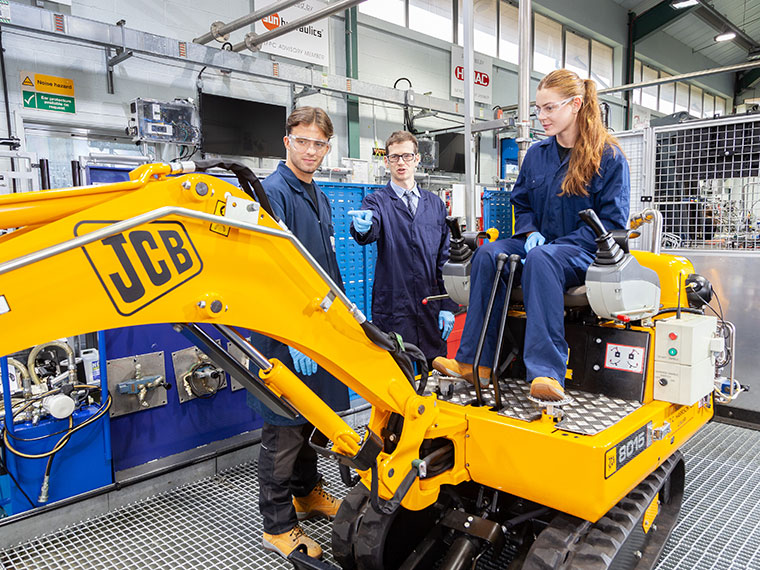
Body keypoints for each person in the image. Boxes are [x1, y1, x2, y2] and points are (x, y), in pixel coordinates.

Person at [433, 69, 630, 402]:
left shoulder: (607, 156)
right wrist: (531, 231)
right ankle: (475, 362)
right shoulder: (537, 155)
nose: (542, 116)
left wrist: (554, 245)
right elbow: (521, 202)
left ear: (576, 104)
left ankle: (546, 372)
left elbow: (611, 223)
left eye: (549, 108)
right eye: (539, 109)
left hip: (582, 251)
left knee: (542, 258)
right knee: (488, 253)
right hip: (538, 242)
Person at [248, 106, 349, 560]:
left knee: (313, 417)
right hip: (284, 335)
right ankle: (277, 523)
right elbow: (272, 273)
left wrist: (347, 314)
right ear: (286, 141)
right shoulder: (274, 192)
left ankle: (307, 493)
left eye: (319, 144)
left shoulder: (317, 194)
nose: (311, 150)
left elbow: (322, 267)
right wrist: (291, 337)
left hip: (318, 329)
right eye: (303, 141)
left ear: (328, 148)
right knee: (284, 429)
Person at [348, 131, 458, 365]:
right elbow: (369, 229)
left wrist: (448, 305)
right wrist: (364, 227)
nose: (401, 163)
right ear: (386, 161)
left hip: (431, 308)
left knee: (437, 376)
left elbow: (445, 258)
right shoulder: (376, 201)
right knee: (398, 378)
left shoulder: (435, 204)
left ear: (417, 159)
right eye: (395, 157)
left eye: (407, 156)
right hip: (395, 309)